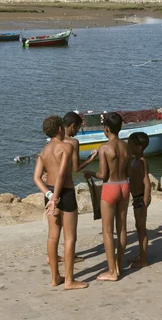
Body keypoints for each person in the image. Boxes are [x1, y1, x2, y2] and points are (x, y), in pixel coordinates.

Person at [33, 115, 88, 290]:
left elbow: (36, 178)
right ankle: (69, 281)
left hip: (50, 193)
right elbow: (63, 175)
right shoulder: (66, 147)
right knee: (70, 238)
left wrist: (49, 196)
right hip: (65, 194)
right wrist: (55, 198)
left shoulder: (43, 151)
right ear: (59, 129)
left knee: (52, 236)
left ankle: (55, 277)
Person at [84, 112, 131, 281]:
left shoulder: (104, 148)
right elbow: (128, 171)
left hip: (110, 187)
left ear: (106, 129)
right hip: (124, 186)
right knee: (122, 228)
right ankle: (119, 265)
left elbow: (103, 174)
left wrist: (90, 172)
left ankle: (112, 271)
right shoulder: (127, 147)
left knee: (108, 231)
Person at [45, 111, 97, 265]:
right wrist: (90, 160)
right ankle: (70, 260)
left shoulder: (50, 142)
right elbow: (75, 169)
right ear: (72, 126)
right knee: (69, 233)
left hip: (50, 187)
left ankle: (52, 257)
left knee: (53, 232)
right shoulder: (73, 143)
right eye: (78, 128)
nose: (77, 132)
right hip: (66, 188)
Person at [128, 132, 151, 268]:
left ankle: (143, 259)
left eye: (130, 146)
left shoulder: (142, 162)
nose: (128, 148)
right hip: (136, 198)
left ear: (139, 147)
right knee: (138, 227)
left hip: (141, 198)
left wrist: (145, 202)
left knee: (141, 228)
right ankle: (141, 255)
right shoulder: (135, 160)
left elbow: (147, 183)